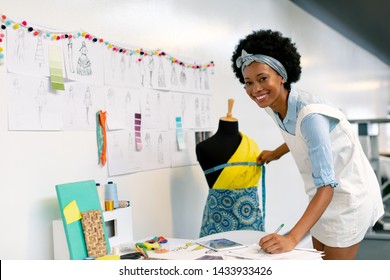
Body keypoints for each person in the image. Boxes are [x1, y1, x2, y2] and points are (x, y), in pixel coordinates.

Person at [230, 29, 384, 260]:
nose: (255, 90)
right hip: (320, 199)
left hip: (346, 199)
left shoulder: (311, 116)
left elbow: (327, 186)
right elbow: (298, 134)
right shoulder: (274, 104)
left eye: (263, 79)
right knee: (317, 265)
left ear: (282, 75)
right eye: (248, 82)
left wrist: (292, 237)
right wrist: (277, 153)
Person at [196, 99, 265, 237]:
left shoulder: (251, 146)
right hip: (219, 221)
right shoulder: (204, 148)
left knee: (252, 254)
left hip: (250, 218)